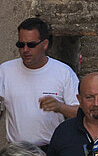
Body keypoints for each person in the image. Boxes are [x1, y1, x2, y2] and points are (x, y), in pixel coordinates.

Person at [0, 18, 79, 148]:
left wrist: (60, 107)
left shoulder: (63, 72)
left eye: (31, 45)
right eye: (21, 45)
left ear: (45, 44)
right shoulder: (5, 71)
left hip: (51, 148)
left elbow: (81, 113)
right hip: (17, 151)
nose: (25, 50)